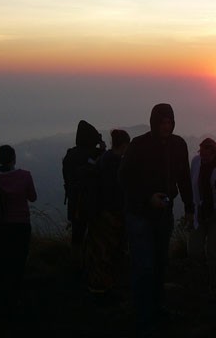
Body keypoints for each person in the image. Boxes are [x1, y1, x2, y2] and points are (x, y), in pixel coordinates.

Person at [119, 104, 194, 335]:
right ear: (154, 122)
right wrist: (147, 198)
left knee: (160, 264)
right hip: (139, 214)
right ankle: (143, 317)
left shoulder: (179, 145)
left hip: (164, 214)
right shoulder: (138, 145)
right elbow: (124, 178)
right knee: (144, 267)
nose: (166, 126)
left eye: (170, 122)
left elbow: (184, 178)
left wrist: (190, 209)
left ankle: (156, 308)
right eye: (162, 122)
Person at [83, 129, 130, 300]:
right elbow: (117, 191)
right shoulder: (116, 163)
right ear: (124, 145)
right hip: (111, 214)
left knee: (100, 250)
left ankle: (98, 286)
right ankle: (103, 288)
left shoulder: (104, 159)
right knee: (109, 251)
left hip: (99, 212)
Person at [0, 145, 37, 308]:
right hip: (21, 227)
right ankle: (15, 299)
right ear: (14, 158)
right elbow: (33, 197)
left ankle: (0, 299)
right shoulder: (25, 176)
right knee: (18, 263)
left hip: (0, 229)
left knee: (1, 264)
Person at [62, 120, 105, 271]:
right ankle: (93, 267)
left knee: (77, 237)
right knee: (95, 236)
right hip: (94, 203)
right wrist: (102, 148)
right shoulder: (96, 155)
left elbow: (67, 179)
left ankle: (76, 267)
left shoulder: (70, 155)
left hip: (75, 203)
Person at [187, 138, 216, 302]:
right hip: (200, 213)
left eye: (205, 156)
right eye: (200, 154)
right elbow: (192, 185)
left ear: (213, 153)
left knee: (214, 254)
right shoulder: (196, 162)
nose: (202, 158)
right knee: (194, 250)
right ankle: (200, 285)